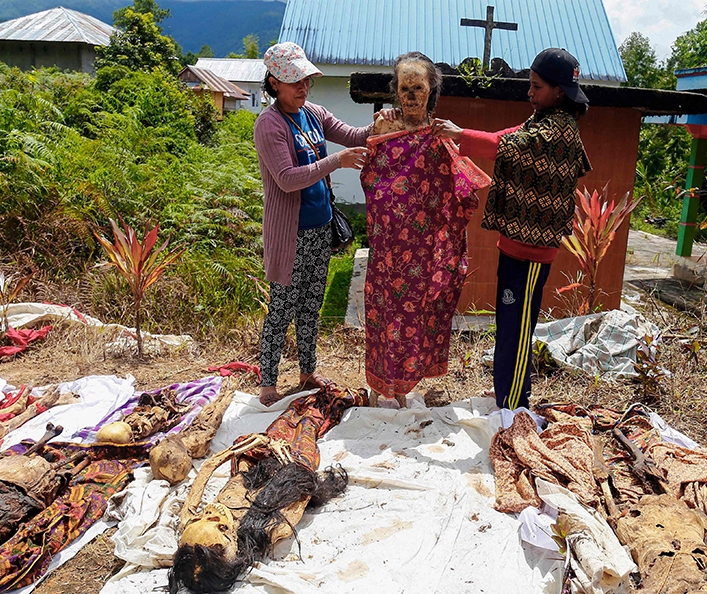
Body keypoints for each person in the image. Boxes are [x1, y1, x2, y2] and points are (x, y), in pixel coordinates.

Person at [433, 48, 592, 410]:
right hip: (517, 243)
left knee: (517, 330)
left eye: (536, 87)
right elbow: (508, 134)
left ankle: (514, 405)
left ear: (559, 91)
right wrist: (461, 136)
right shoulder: (542, 119)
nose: (530, 93)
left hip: (532, 252)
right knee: (507, 324)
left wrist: (462, 135)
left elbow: (507, 145)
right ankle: (506, 395)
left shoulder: (559, 131)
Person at [253, 42, 382, 406]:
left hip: (319, 228)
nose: (303, 88)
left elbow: (354, 135)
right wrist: (336, 161)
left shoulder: (313, 113)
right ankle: (267, 382)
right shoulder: (270, 124)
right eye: (295, 81)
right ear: (275, 81)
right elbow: (287, 178)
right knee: (282, 305)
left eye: (306, 80)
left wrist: (378, 125)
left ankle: (307, 370)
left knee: (312, 303)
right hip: (289, 234)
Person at [361, 53, 490, 407]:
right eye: (405, 88)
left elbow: (464, 190)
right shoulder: (385, 129)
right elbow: (370, 177)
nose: (412, 96)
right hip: (388, 250)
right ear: (396, 91)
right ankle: (378, 387)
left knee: (414, 316)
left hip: (423, 251)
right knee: (383, 312)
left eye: (419, 88)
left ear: (431, 90)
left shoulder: (439, 136)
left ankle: (403, 388)